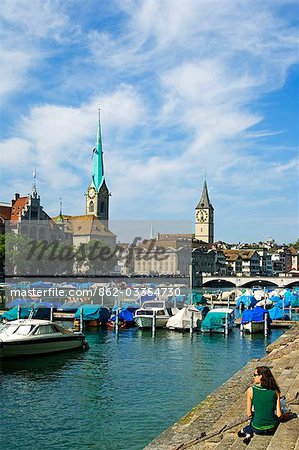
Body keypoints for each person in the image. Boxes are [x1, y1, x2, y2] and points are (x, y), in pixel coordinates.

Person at [238, 366, 282, 445]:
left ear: (261, 376)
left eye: (255, 375)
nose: (253, 377)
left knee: (254, 419)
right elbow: (279, 415)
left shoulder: (251, 390)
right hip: (272, 428)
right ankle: (246, 431)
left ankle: (246, 431)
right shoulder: (275, 391)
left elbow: (249, 414)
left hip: (257, 429)